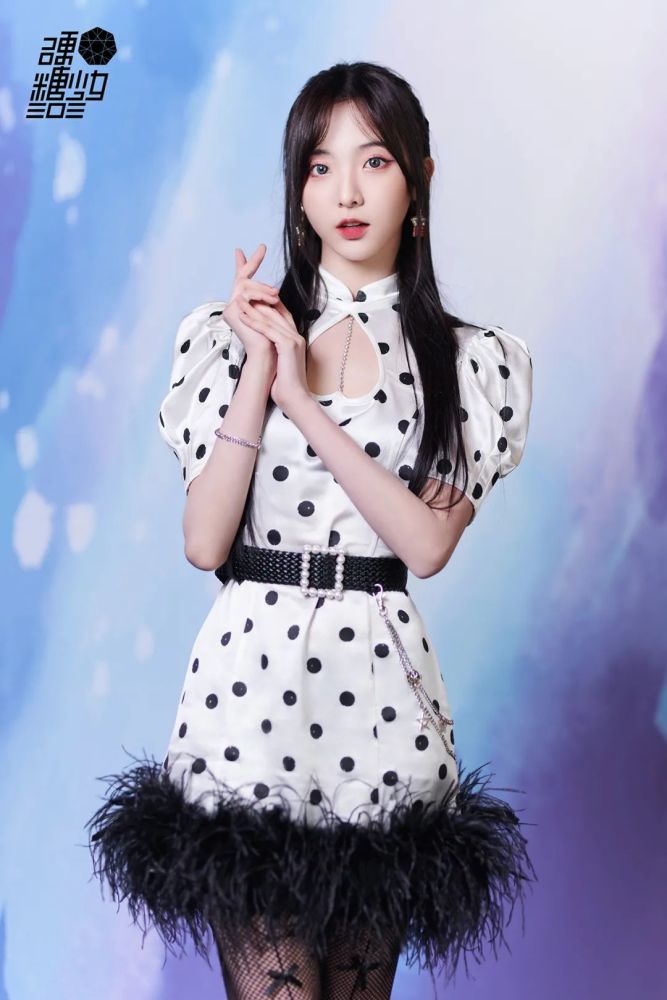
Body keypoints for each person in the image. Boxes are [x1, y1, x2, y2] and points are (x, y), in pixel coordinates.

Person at [85, 61, 536, 999]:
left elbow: (424, 546)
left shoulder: (468, 362)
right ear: (296, 189)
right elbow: (205, 543)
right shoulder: (227, 338)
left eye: (373, 162)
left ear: (418, 178)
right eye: (320, 167)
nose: (346, 193)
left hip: (381, 704)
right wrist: (262, 367)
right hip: (248, 700)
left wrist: (303, 402)